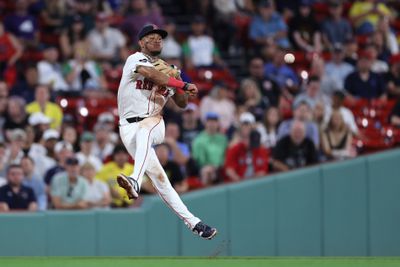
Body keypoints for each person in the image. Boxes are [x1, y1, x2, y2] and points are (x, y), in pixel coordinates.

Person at [115, 24, 217, 239]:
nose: (157, 40)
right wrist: (182, 82)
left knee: (147, 126)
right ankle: (195, 224)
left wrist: (178, 85)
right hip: (127, 128)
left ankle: (134, 180)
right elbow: (149, 73)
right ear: (142, 42)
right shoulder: (134, 59)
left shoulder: (168, 69)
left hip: (154, 123)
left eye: (160, 38)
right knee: (161, 180)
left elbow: (181, 103)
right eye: (151, 37)